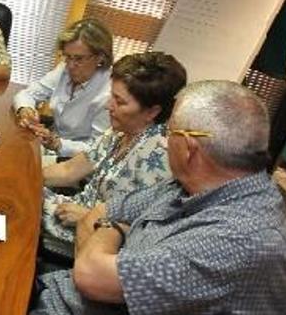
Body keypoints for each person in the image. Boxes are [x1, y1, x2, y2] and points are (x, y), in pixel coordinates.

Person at [33, 80, 286, 314]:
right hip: (60, 292)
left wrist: (109, 231)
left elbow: (91, 276)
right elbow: (104, 211)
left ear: (188, 148)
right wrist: (113, 228)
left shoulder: (241, 239)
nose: (162, 141)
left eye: (169, 133)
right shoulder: (190, 184)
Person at [40, 52, 186, 255]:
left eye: (120, 101)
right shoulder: (120, 131)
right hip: (67, 212)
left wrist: (87, 216)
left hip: (86, 240)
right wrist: (26, 177)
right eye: (112, 96)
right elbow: (69, 170)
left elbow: (139, 237)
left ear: (152, 112)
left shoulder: (160, 158)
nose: (109, 105)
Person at [14, 19, 113, 159]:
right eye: (67, 56)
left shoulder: (109, 94)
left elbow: (97, 150)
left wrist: (58, 144)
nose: (71, 65)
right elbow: (27, 94)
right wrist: (25, 110)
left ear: (100, 57)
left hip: (74, 160)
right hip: (49, 144)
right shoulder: (64, 69)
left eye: (79, 59)